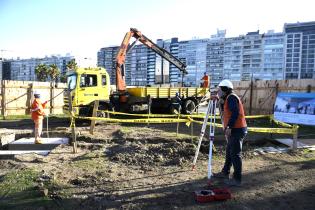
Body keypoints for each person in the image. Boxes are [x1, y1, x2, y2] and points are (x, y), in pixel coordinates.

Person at [213, 79, 247, 187]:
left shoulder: (231, 97)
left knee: (235, 154)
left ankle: (237, 179)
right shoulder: (228, 98)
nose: (218, 91)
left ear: (225, 89)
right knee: (229, 152)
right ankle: (225, 172)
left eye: (220, 89)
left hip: (237, 129)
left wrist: (229, 127)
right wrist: (220, 101)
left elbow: (235, 112)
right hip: (235, 129)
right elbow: (226, 111)